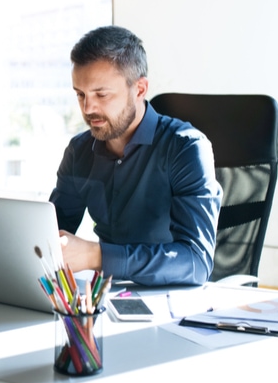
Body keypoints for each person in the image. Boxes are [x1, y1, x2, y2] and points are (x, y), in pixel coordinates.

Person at [49, 26, 222, 286]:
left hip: (174, 301)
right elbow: (50, 234)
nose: (88, 108)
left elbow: (196, 262)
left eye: (101, 94)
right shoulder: (79, 152)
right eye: (80, 94)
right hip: (106, 296)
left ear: (140, 89)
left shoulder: (186, 148)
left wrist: (96, 255)